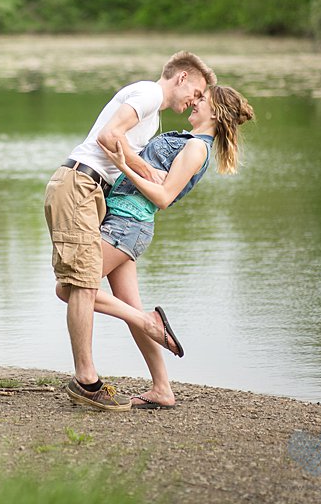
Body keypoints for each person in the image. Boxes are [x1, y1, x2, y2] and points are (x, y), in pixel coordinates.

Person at [56, 85, 255, 409]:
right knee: (129, 307)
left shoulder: (196, 149)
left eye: (202, 101)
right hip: (122, 222)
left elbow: (163, 198)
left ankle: (151, 322)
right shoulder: (189, 141)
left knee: (69, 288)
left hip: (127, 226)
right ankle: (162, 387)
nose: (194, 102)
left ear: (215, 112)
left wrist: (122, 164)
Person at [44, 51, 215, 411]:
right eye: (196, 91)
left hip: (98, 196)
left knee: (79, 286)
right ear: (181, 78)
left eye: (202, 99)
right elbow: (109, 136)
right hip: (80, 184)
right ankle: (90, 378)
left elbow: (127, 155)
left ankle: (152, 383)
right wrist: (143, 168)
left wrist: (138, 170)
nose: (193, 101)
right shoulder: (149, 95)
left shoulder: (154, 119)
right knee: (80, 285)